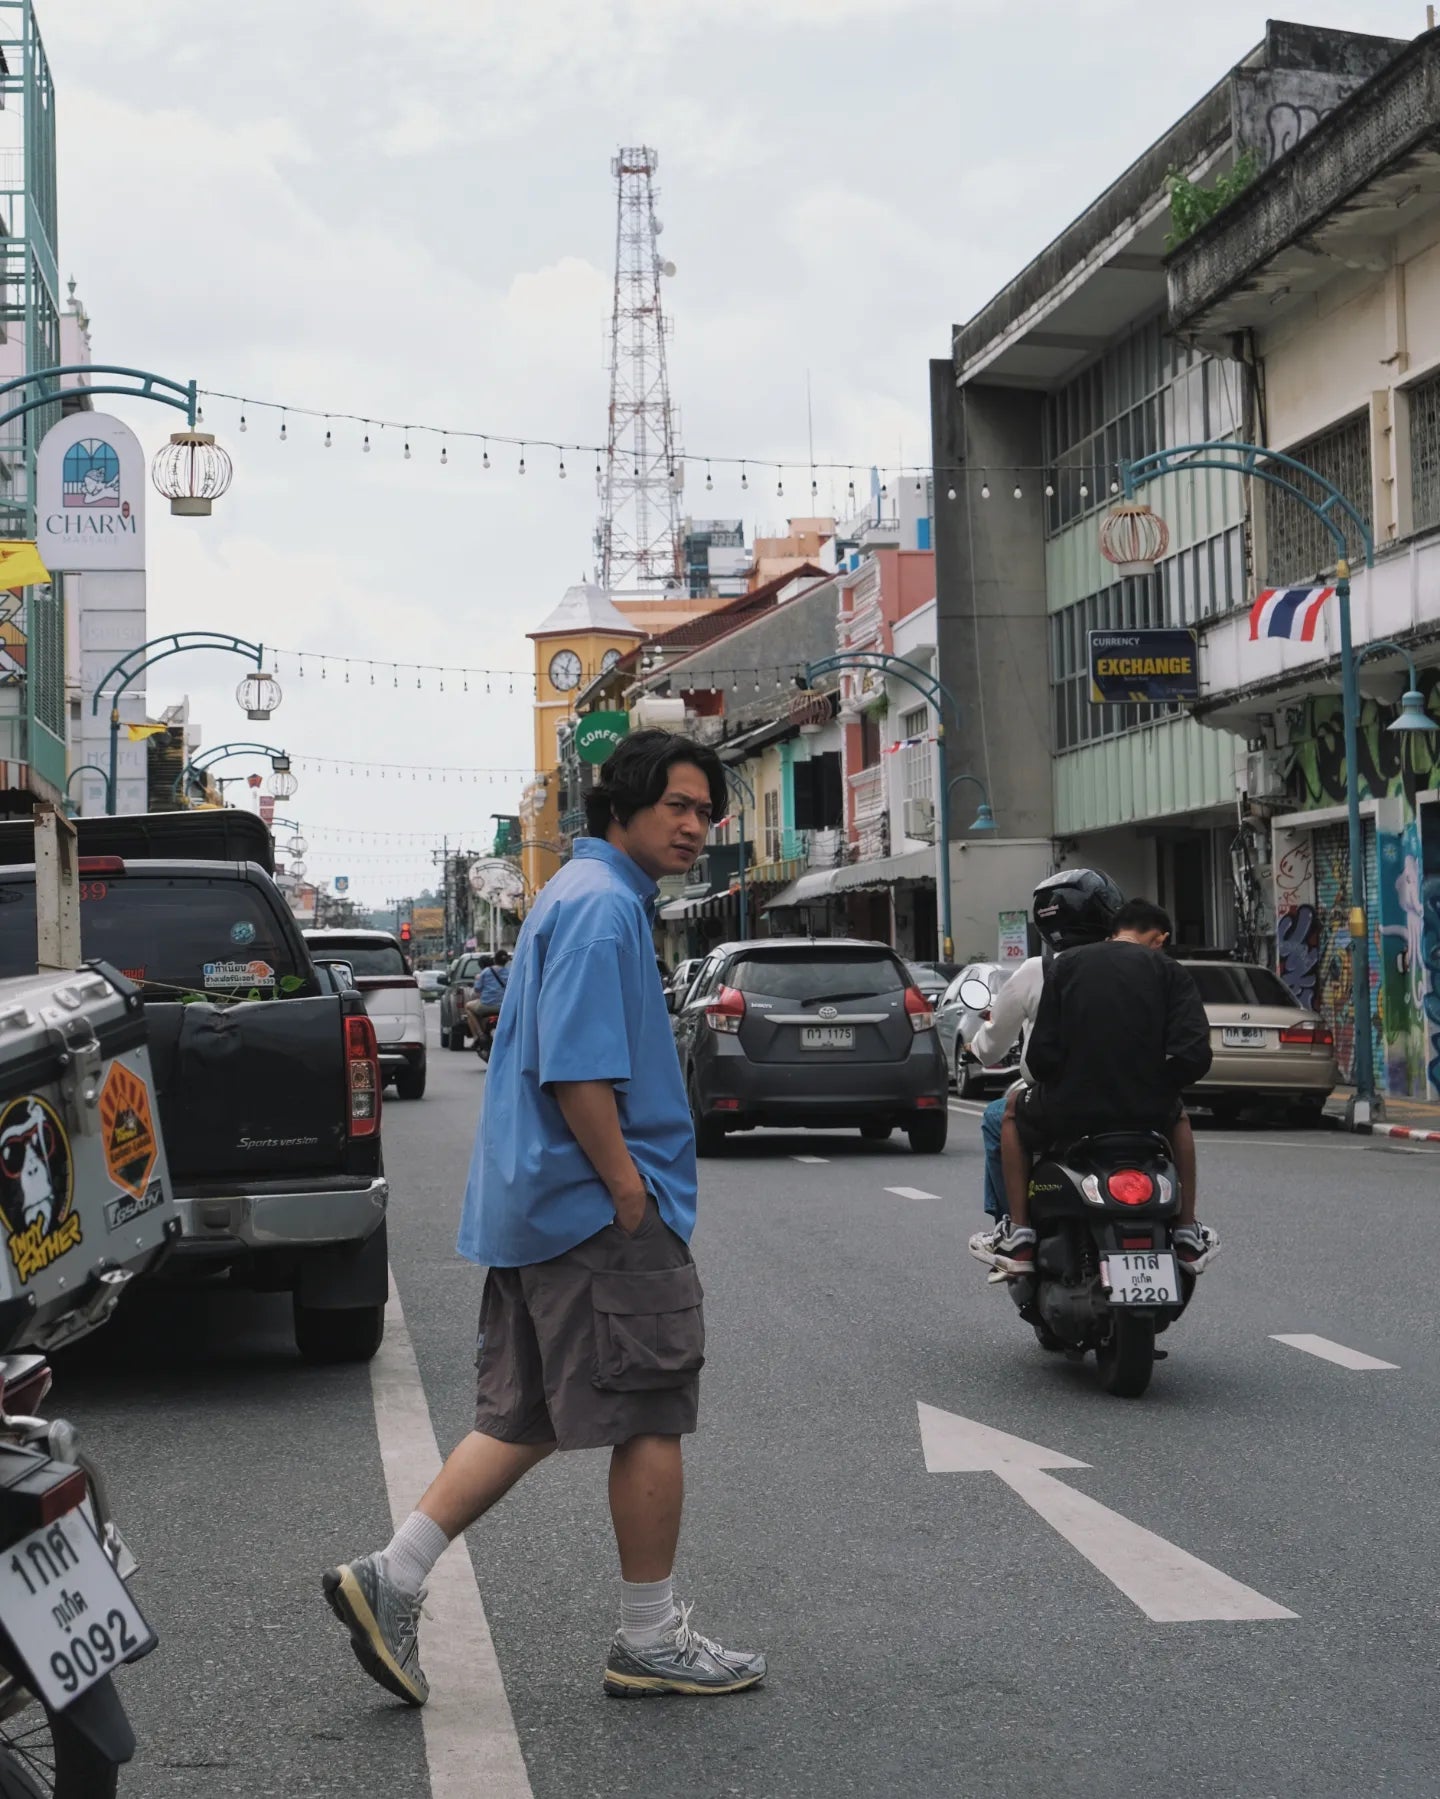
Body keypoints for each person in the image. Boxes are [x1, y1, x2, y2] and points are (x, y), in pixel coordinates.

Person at [322, 730, 766, 1706]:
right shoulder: (606, 908)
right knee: (651, 1406)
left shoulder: (574, 894)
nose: (697, 825)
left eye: (707, 811)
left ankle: (389, 1576)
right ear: (622, 808)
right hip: (593, 1209)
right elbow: (577, 1068)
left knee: (523, 1414)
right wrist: (627, 1189)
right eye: (679, 805)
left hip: (541, 1206)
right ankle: (649, 1636)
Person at [975, 898, 1212, 1275]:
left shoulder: (1067, 965)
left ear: (1113, 931)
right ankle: (1186, 1229)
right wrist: (1159, 1085)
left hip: (1069, 1107)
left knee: (1009, 1114)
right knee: (1179, 1116)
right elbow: (1195, 1054)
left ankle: (1019, 1233)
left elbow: (1041, 1056)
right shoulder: (1168, 970)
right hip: (1145, 1108)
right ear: (1160, 938)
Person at [965, 869, 1123, 1224]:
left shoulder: (1039, 969)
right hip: (1135, 1096)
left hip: (1061, 1099)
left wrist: (975, 1046)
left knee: (996, 1119)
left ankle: (1014, 1225)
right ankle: (1186, 1228)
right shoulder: (1137, 962)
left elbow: (990, 1048)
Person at [466, 949, 510, 1048]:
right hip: (504, 1007)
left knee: (468, 1007)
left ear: (495, 960)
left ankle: (479, 1035)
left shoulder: (486, 972)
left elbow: (477, 990)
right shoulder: (511, 972)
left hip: (486, 1006)